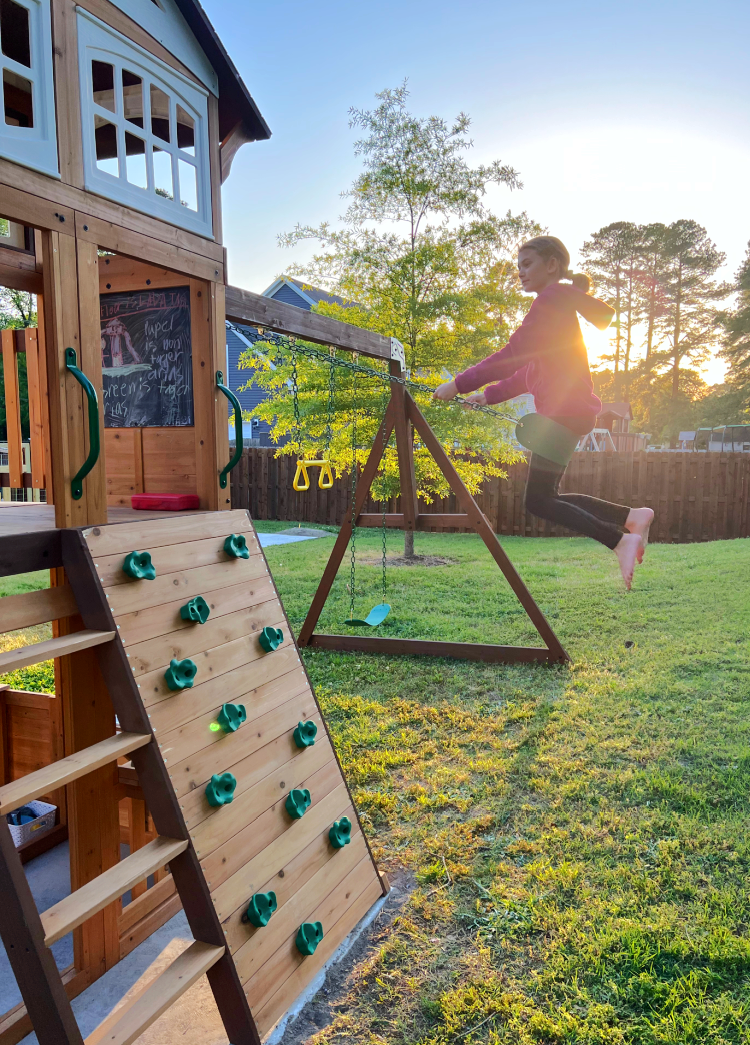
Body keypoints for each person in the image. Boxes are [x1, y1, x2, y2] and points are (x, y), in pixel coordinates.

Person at [433, 235, 653, 590]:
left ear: (552, 265)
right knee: (546, 495)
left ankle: (620, 539)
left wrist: (458, 383)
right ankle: (631, 517)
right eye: (518, 267)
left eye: (527, 264)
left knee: (539, 499)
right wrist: (487, 396)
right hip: (569, 413)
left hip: (564, 413)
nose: (520, 272)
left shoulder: (550, 300)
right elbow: (527, 372)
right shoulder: (555, 309)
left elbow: (512, 354)